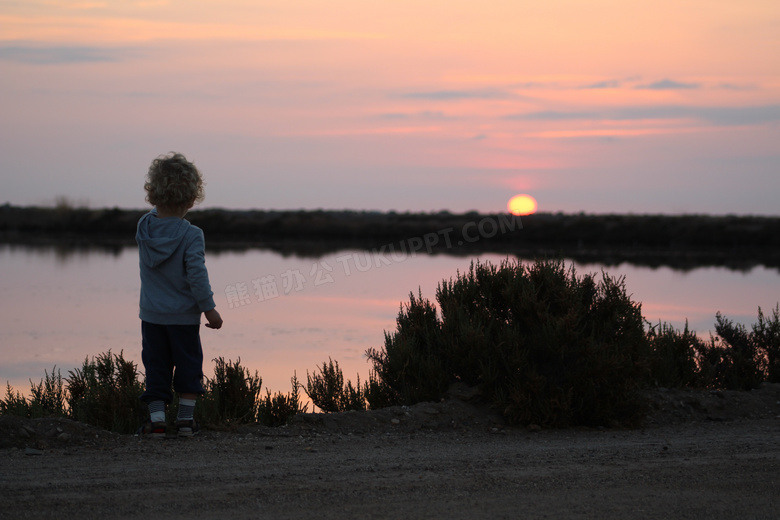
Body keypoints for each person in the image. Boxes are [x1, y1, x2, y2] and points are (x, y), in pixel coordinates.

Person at [135, 152, 223, 438]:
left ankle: (157, 421)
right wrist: (209, 308)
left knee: (156, 367)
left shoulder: (144, 228)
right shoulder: (191, 234)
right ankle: (186, 422)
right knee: (188, 367)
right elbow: (197, 276)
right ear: (190, 200)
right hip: (184, 319)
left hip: (151, 317)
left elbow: (154, 214)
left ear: (153, 194)